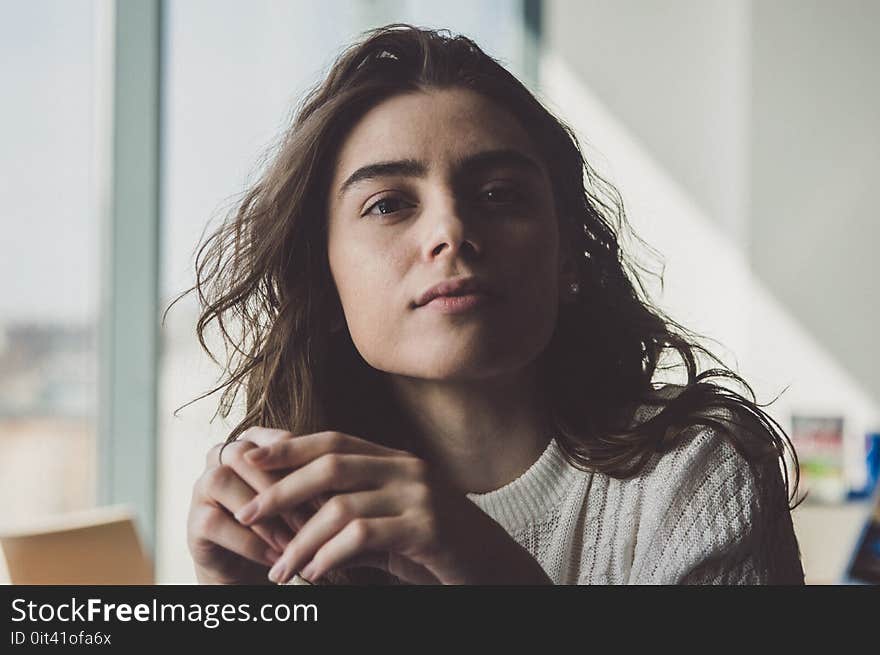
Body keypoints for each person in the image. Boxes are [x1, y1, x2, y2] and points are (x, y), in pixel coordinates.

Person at [173, 24, 805, 585]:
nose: (450, 230)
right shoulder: (293, 516)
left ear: (566, 255)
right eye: (389, 204)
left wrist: (483, 566)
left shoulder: (695, 470)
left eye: (499, 194)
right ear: (324, 275)